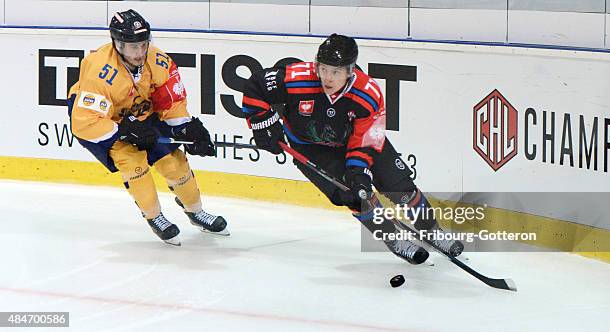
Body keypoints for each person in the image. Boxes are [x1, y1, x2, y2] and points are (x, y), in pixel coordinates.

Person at [241, 33, 463, 264]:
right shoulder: (298, 78)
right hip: (311, 147)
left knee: (400, 187)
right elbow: (256, 85)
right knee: (353, 197)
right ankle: (395, 240)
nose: (327, 77)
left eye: (335, 72)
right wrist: (262, 125)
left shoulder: (368, 94)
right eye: (323, 69)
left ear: (350, 70)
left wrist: (359, 173)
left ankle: (432, 231)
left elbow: (366, 139)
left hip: (354, 141)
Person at [68, 9, 229, 246]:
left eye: (144, 44)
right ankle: (155, 216)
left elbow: (170, 102)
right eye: (133, 47)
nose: (140, 52)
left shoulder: (157, 59)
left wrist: (185, 129)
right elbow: (84, 121)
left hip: (140, 113)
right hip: (105, 121)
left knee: (175, 164)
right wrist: (123, 131)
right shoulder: (98, 69)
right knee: (134, 164)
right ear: (117, 44)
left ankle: (195, 211)